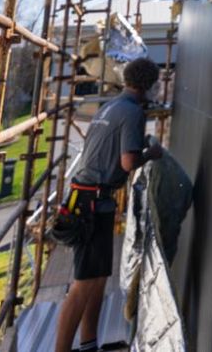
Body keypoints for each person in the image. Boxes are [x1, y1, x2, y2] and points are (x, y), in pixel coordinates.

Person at [53, 57, 165, 352]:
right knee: (83, 283)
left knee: (97, 278)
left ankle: (89, 344)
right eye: (156, 84)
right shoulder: (132, 112)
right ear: (148, 85)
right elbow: (128, 162)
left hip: (85, 198)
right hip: (92, 203)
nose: (158, 89)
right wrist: (151, 153)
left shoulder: (111, 106)